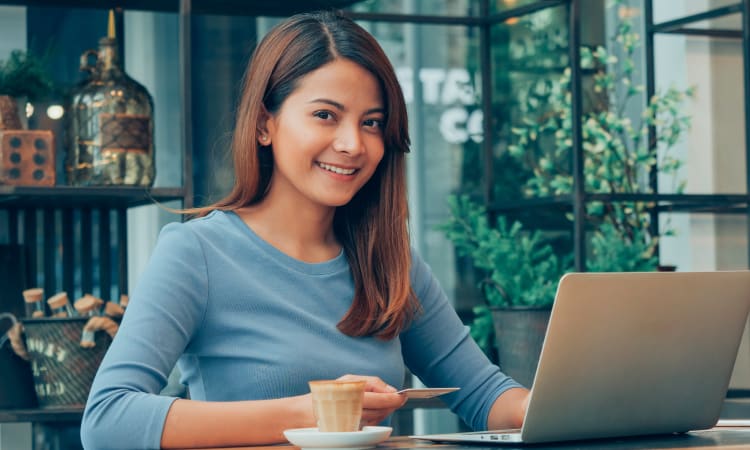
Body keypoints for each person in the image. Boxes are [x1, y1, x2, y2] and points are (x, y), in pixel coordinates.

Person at [80, 10, 530, 450]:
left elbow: (484, 394)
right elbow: (108, 419)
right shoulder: (196, 252)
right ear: (263, 124)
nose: (353, 144)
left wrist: (571, 403)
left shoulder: (390, 260)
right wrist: (313, 411)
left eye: (371, 122)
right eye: (325, 115)